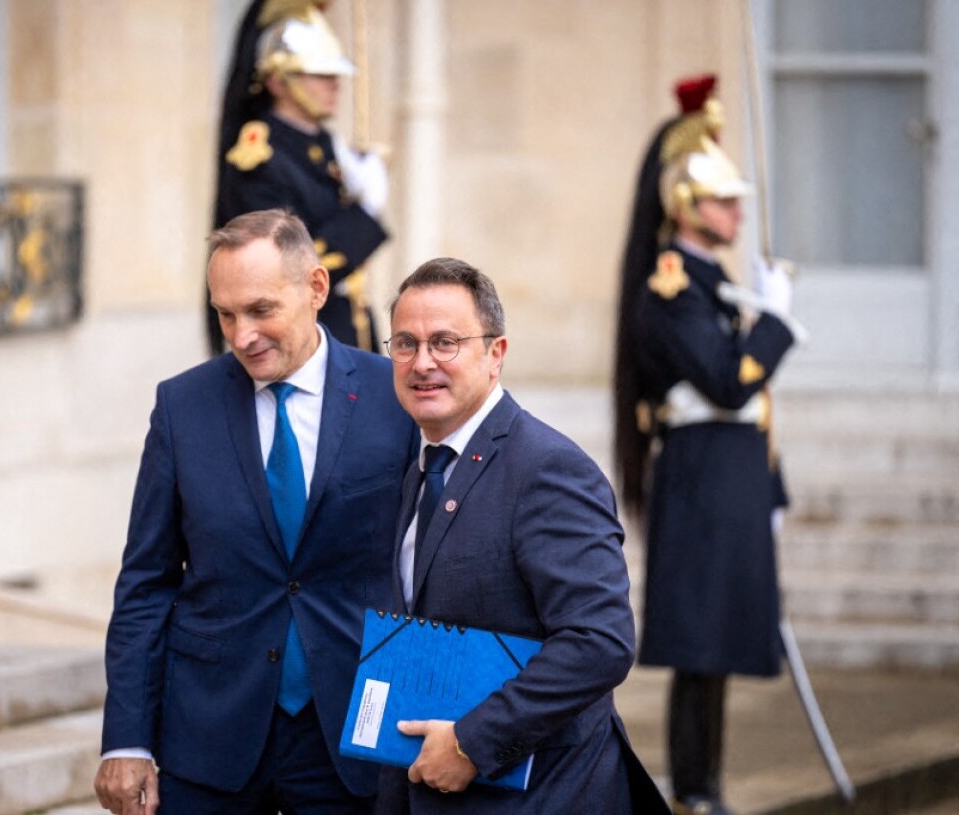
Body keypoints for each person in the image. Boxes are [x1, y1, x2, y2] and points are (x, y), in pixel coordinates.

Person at [94, 209, 418, 815]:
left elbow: (427, 568)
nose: (242, 334)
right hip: (210, 740)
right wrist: (127, 739)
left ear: (316, 289)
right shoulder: (181, 406)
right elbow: (146, 583)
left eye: (261, 310)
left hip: (354, 739)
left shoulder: (394, 395)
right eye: (225, 314)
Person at [375, 259, 668, 814]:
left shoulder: (549, 468)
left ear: (496, 354)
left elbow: (599, 642)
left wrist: (472, 743)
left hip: (547, 793)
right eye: (406, 343)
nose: (422, 363)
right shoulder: (418, 466)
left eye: (445, 342)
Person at [612, 76, 805, 815]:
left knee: (719, 640)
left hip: (731, 475)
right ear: (686, 203)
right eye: (725, 200)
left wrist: (773, 489)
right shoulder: (670, 287)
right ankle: (695, 788)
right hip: (699, 475)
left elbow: (754, 407)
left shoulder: (710, 282)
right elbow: (730, 382)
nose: (737, 211)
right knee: (700, 643)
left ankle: (705, 786)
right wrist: (775, 323)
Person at [208, 0, 389, 356]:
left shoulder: (320, 145)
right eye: (319, 75)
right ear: (278, 81)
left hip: (345, 327)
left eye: (334, 74)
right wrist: (363, 212)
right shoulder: (258, 157)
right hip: (298, 345)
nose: (334, 84)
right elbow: (286, 267)